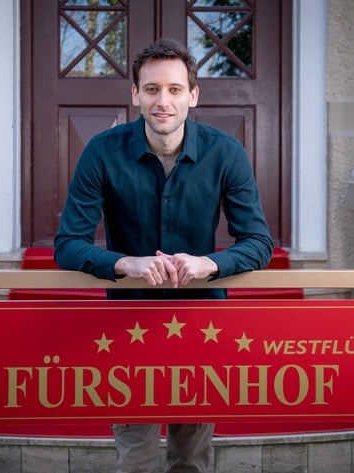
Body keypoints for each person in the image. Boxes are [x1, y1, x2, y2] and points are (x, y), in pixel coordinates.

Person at [54, 38, 273, 473]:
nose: (163, 101)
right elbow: (68, 244)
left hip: (201, 323)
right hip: (128, 322)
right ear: (136, 94)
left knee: (190, 459)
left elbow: (258, 242)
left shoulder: (225, 152)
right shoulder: (101, 151)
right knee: (135, 458)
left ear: (193, 96)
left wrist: (209, 263)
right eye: (152, 89)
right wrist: (125, 263)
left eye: (175, 89)